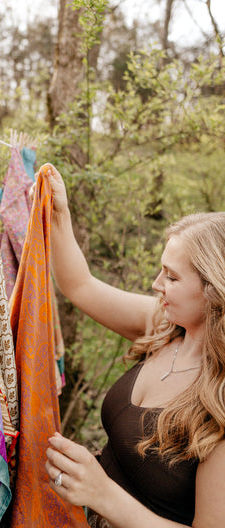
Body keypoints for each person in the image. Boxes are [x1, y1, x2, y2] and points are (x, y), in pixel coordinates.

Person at [43, 164, 225, 528]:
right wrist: (60, 215)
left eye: (171, 277)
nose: (157, 284)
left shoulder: (219, 401)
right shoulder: (165, 326)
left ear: (214, 291)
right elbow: (80, 286)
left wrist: (101, 494)